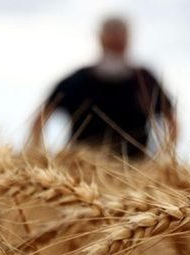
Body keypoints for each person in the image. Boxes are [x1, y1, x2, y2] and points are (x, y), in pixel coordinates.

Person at [30, 16, 177, 159]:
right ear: (100, 39)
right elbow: (40, 119)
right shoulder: (76, 81)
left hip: (135, 172)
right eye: (111, 42)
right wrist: (39, 157)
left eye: (119, 43)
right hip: (80, 173)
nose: (115, 46)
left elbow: (172, 121)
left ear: (128, 40)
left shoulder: (145, 80)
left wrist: (161, 159)